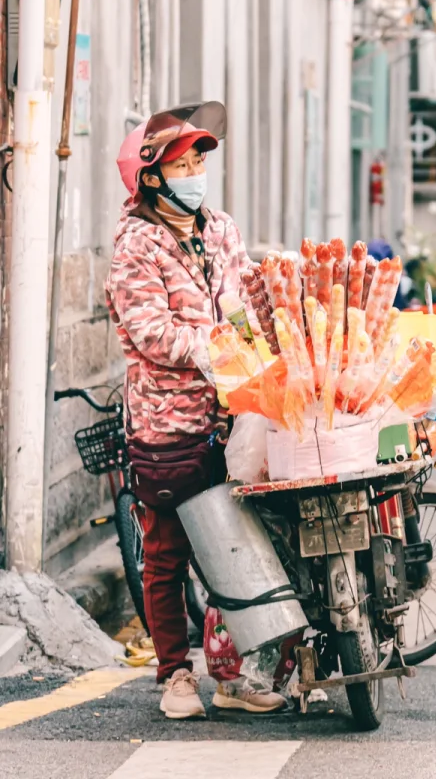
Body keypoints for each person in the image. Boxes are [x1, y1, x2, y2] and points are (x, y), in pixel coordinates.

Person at [105, 103, 287, 721]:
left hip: (233, 413)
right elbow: (150, 331)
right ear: (152, 177)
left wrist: (269, 326)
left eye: (199, 162)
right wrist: (217, 346)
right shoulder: (135, 245)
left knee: (236, 547)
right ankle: (175, 675)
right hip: (168, 423)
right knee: (168, 552)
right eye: (182, 165)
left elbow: (244, 300)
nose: (195, 173)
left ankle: (233, 676)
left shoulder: (221, 230)